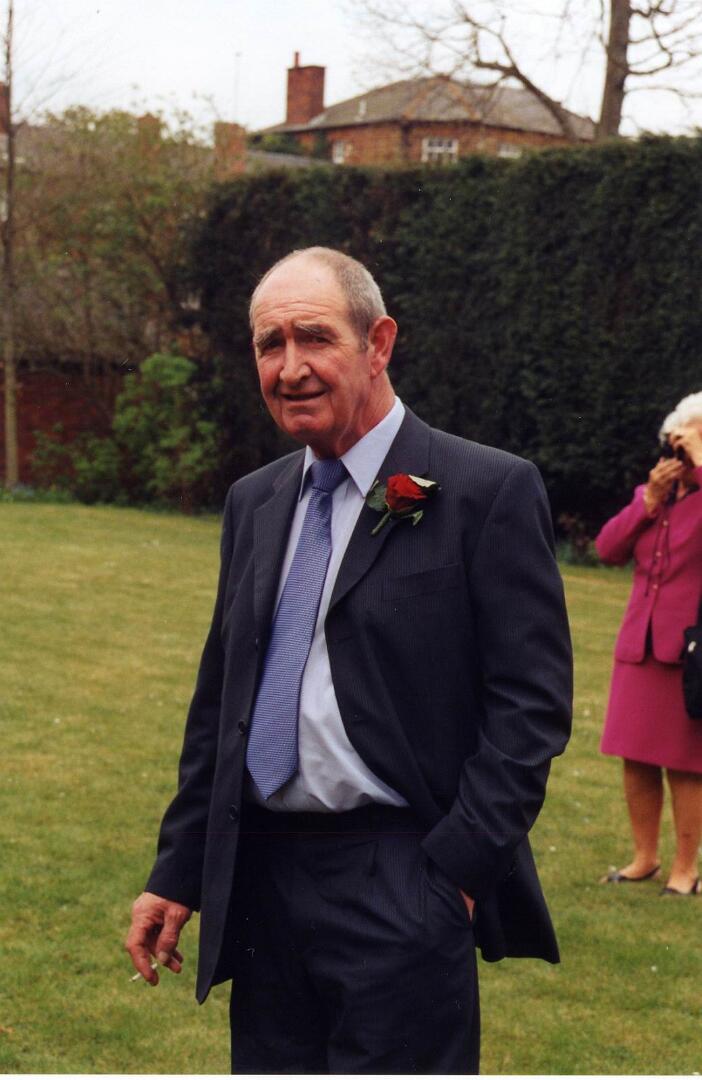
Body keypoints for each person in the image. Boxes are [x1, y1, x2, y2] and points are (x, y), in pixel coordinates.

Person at [125, 247, 572, 1074]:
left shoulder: (484, 490)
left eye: (315, 337)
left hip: (402, 873)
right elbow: (222, 705)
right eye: (270, 344)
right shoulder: (255, 501)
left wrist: (452, 876)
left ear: (379, 343)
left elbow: (530, 707)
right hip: (263, 880)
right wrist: (179, 870)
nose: (290, 367)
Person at [596, 392, 702, 896]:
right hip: (638, 647)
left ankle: (686, 869)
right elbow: (608, 549)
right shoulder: (653, 495)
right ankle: (645, 858)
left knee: (686, 764)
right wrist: (648, 502)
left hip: (688, 653)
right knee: (635, 756)